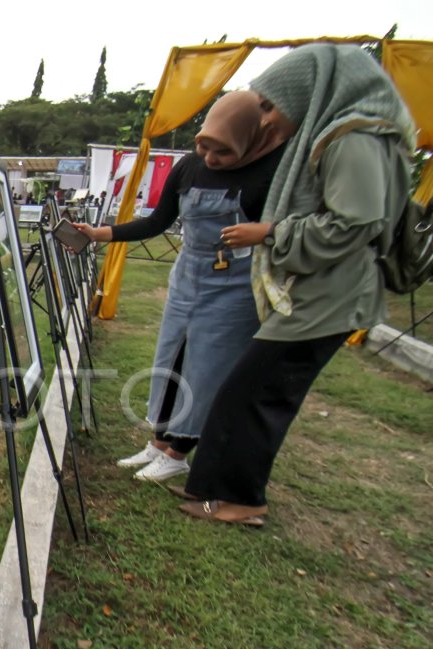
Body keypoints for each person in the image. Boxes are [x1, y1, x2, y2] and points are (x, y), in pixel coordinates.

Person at [176, 44, 415, 526]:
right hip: (317, 295)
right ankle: (217, 496)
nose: (263, 120)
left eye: (268, 105)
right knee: (247, 394)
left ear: (309, 92)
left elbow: (354, 224)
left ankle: (241, 501)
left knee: (255, 396)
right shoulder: (346, 134)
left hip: (329, 297)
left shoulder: (354, 137)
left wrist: (271, 232)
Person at [70, 91, 290, 481]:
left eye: (222, 153)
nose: (210, 159)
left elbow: (293, 226)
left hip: (235, 285)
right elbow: (156, 223)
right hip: (188, 276)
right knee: (170, 358)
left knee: (206, 367)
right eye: (204, 147)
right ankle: (158, 442)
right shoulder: (188, 168)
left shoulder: (274, 170)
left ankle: (179, 451)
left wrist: (264, 232)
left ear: (249, 142)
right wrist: (98, 233)